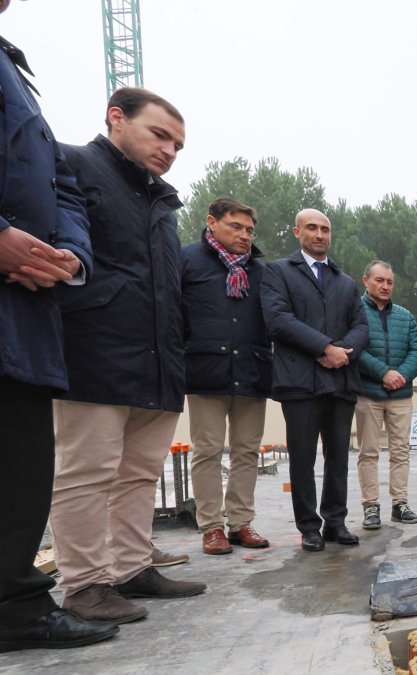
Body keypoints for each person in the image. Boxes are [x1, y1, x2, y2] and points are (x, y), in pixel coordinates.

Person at [53, 87, 206, 624]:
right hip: (94, 352)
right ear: (116, 118)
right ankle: (86, 584)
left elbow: (166, 287)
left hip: (158, 361)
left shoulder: (161, 202)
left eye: (178, 145)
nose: (168, 150)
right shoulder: (70, 164)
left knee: (140, 475)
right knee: (87, 473)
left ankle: (132, 567)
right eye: (159, 134)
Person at [0, 4, 118, 650]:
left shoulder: (14, 69)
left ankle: (15, 604)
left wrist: (72, 254)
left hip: (26, 309)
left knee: (22, 465)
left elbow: (61, 188)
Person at [261, 209, 368, 552]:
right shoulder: (278, 272)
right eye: (312, 228)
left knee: (338, 455)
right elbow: (278, 319)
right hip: (300, 381)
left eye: (325, 229)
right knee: (303, 457)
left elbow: (361, 326)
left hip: (341, 381)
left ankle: (335, 521)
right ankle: (309, 526)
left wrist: (343, 353)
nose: (320, 234)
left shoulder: (346, 282)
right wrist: (324, 346)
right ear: (297, 231)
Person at [181, 198, 272, 556]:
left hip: (252, 371)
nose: (245, 236)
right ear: (212, 223)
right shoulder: (188, 261)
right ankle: (212, 527)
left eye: (249, 230)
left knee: (248, 451)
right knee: (207, 451)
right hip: (205, 370)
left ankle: (240, 522)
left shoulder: (260, 271)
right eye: (235, 226)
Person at [355, 261, 417, 530]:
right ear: (365, 280)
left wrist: (402, 375)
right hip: (369, 393)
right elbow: (354, 348)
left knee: (400, 452)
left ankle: (400, 503)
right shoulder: (355, 311)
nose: (385, 286)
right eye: (379, 280)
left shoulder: (405, 316)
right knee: (368, 452)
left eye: (389, 282)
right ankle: (370, 506)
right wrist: (383, 372)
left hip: (401, 395)